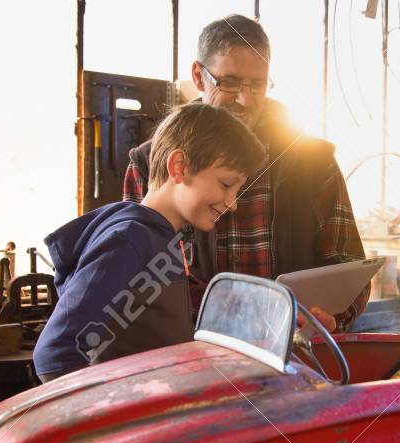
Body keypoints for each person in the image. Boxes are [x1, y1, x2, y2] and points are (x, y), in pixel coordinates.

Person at [124, 14, 369, 332]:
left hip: (292, 356)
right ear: (199, 76)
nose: (245, 99)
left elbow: (350, 272)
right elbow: (135, 280)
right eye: (231, 83)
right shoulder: (151, 163)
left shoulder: (313, 162)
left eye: (258, 84)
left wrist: (333, 318)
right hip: (191, 358)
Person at [33, 103, 266, 382]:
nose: (233, 203)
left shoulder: (162, 240)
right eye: (227, 185)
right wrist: (110, 417)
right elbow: (56, 354)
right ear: (179, 167)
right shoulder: (130, 240)